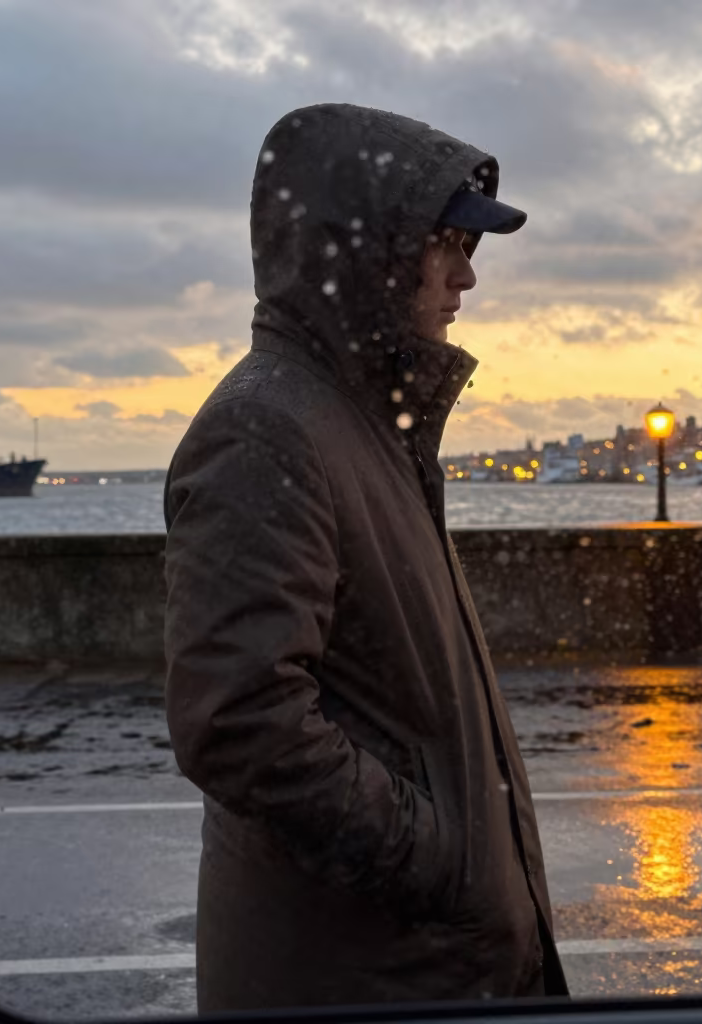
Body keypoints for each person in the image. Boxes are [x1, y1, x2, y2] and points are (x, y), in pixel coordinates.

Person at [163, 103, 569, 1012]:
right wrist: (446, 865)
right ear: (368, 251)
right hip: (370, 976)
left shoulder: (360, 421)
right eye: (446, 244)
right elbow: (241, 722)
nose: (467, 275)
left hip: (410, 966)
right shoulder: (266, 430)